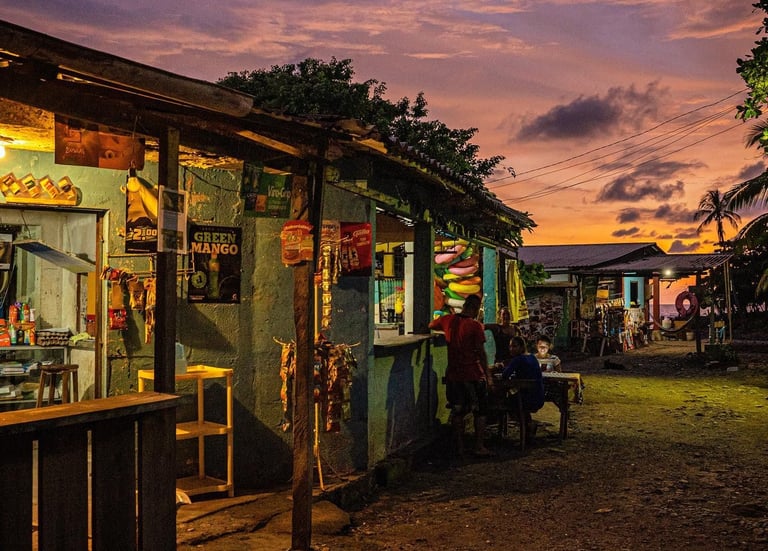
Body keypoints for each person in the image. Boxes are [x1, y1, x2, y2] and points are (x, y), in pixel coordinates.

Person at [429, 294, 493, 457]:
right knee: (480, 411)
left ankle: (460, 447)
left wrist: (446, 331)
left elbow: (431, 325)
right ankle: (479, 446)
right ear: (476, 308)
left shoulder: (448, 320)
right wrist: (488, 375)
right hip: (473, 374)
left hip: (454, 374)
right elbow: (481, 353)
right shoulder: (475, 326)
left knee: (457, 411)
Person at [501, 336, 544, 442]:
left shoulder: (518, 359)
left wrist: (501, 367)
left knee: (508, 402)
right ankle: (529, 428)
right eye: (510, 346)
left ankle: (527, 426)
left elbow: (505, 375)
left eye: (514, 346)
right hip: (538, 396)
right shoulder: (532, 357)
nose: (511, 349)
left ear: (521, 347)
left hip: (526, 398)